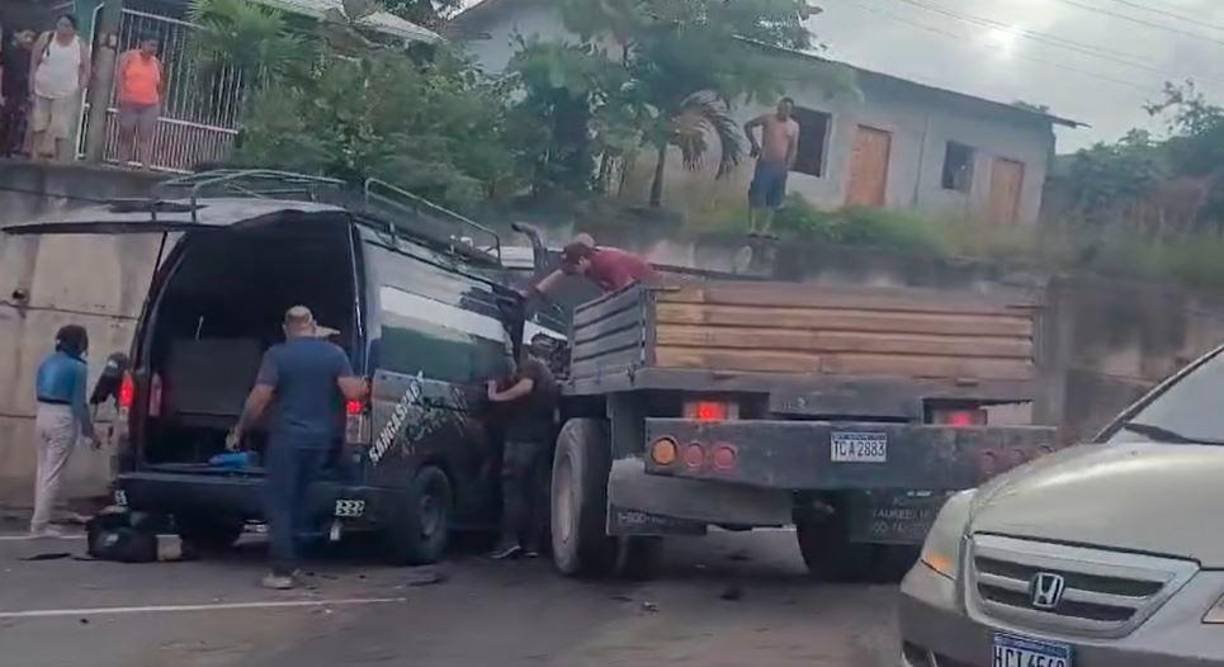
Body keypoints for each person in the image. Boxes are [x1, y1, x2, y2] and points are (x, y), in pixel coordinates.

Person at [227, 306, 367, 590]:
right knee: (304, 499)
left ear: (286, 328)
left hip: (288, 439)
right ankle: (299, 560)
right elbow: (352, 392)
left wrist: (241, 428)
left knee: (280, 501)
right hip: (321, 441)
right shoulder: (334, 354)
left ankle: (281, 572)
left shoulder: (277, 355)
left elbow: (260, 397)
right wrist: (368, 385)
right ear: (312, 324)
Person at [486, 339, 558, 560]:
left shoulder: (532, 367)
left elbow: (525, 388)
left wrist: (495, 395)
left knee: (513, 491)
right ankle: (533, 545)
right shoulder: (551, 378)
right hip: (541, 441)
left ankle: (509, 541)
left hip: (521, 440)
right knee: (535, 494)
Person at [31, 325, 97, 537]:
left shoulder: (46, 363)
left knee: (43, 471)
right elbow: (79, 404)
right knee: (53, 473)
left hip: (42, 413)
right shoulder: (78, 367)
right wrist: (90, 432)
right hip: (62, 416)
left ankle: (40, 520)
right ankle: (40, 525)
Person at [29, 15, 89, 162]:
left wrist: (80, 88)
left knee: (60, 127)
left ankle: (58, 160)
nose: (63, 29)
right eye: (60, 24)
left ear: (74, 29)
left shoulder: (79, 44)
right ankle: (35, 156)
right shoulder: (46, 38)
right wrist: (31, 84)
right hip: (42, 89)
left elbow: (86, 69)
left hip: (66, 92)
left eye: (67, 26)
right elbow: (34, 62)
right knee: (39, 124)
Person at [743, 96, 800, 237]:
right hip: (765, 162)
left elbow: (793, 148)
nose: (784, 111)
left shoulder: (794, 126)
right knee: (757, 194)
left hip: (780, 166)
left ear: (791, 111)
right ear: (778, 108)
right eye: (782, 108)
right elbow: (748, 126)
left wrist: (788, 166)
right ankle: (751, 227)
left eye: (787, 109)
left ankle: (765, 229)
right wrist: (755, 145)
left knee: (774, 200)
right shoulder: (768, 119)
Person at [529, 240, 656, 298]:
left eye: (573, 266)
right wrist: (532, 294)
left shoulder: (610, 262)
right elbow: (560, 273)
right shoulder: (588, 267)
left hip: (652, 292)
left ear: (582, 260)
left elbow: (628, 289)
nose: (572, 271)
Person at [116, 36, 164, 169]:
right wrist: (121, 94)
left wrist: (159, 102)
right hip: (129, 103)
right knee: (126, 134)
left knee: (145, 137)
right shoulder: (129, 57)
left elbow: (161, 85)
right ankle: (122, 165)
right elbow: (120, 75)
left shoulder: (157, 64)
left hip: (149, 105)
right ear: (142, 43)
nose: (152, 49)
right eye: (150, 44)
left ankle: (145, 168)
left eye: (155, 46)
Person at [0, 29, 36, 157]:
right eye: (26, 36)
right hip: (8, 92)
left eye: (31, 37)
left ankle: (11, 149)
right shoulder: (7, 51)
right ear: (17, 35)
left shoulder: (30, 55)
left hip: (22, 93)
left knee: (18, 121)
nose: (29, 39)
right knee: (5, 120)